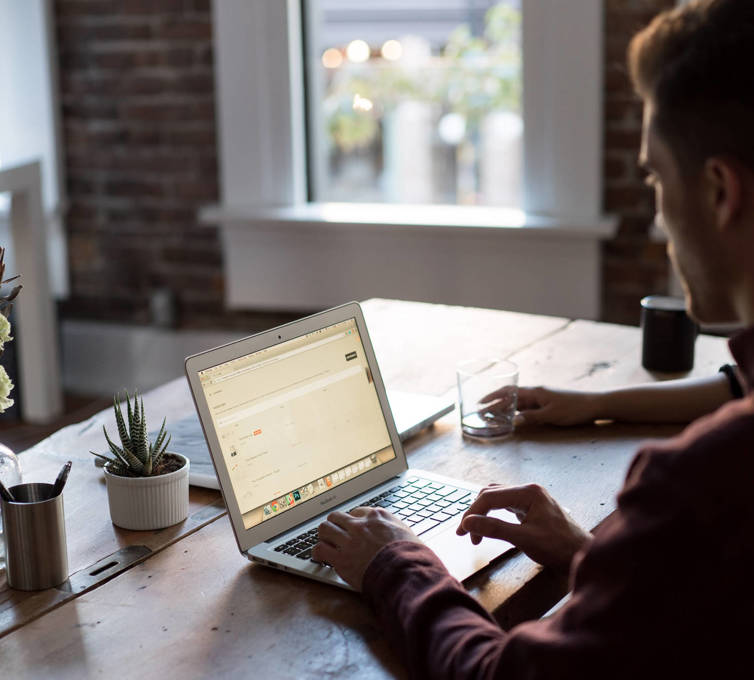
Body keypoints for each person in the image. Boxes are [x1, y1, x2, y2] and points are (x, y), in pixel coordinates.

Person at [312, 1, 754, 676]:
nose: (659, 223)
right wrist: (596, 557)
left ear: (721, 192)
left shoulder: (699, 485)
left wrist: (393, 563)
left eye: (657, 178)